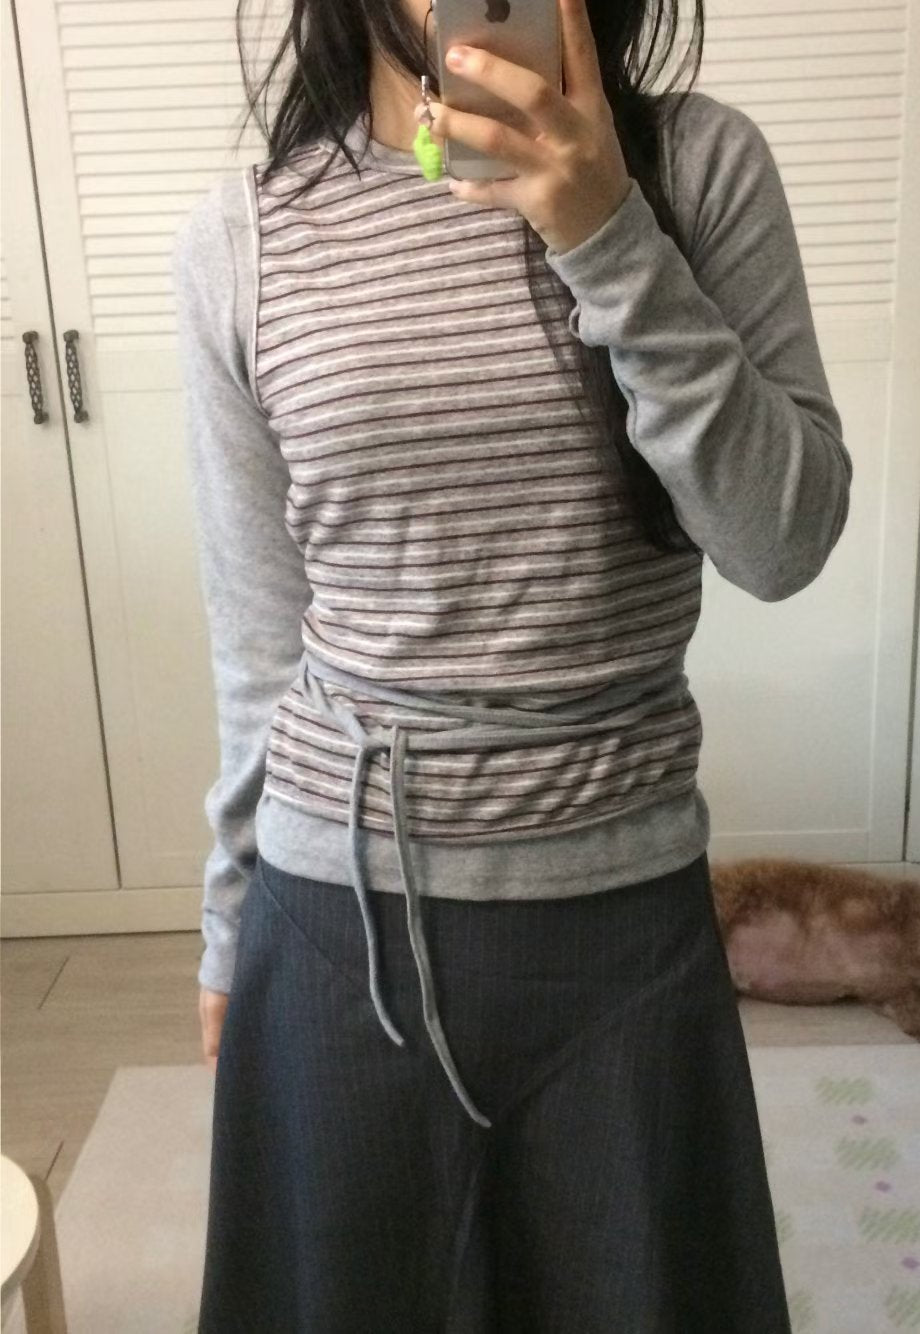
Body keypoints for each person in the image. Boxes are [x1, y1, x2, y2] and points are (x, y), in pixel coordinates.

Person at [172, 0, 851, 1327]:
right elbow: (258, 641)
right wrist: (227, 924)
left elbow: (784, 540)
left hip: (624, 928)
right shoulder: (243, 238)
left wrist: (608, 233)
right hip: (338, 924)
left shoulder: (699, 170)